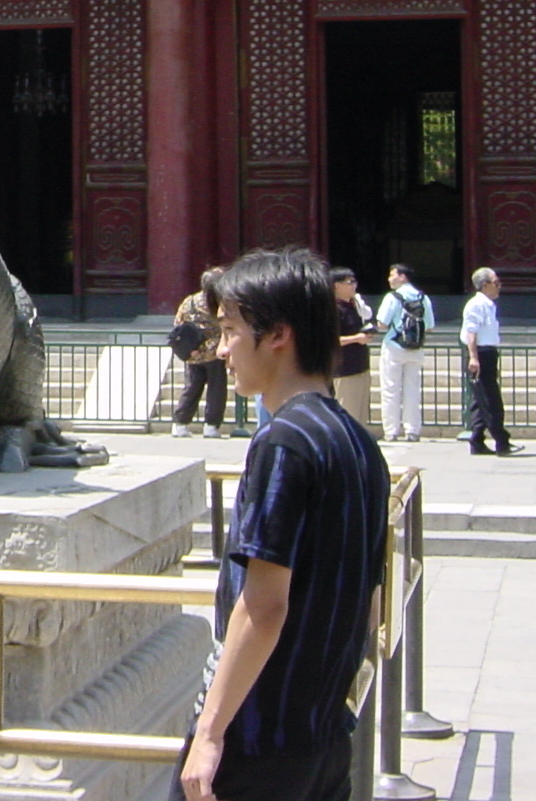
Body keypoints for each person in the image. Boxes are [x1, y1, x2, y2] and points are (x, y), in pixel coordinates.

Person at [181, 247, 390, 801]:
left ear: (277, 335)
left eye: (229, 331)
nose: (222, 350)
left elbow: (265, 604)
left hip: (258, 740)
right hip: (322, 734)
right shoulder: (360, 444)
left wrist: (209, 732)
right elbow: (370, 601)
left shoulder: (283, 442)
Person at [460, 266, 523, 457]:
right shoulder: (476, 305)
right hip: (480, 354)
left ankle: (477, 440)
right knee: (490, 401)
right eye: (496, 283)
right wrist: (473, 357)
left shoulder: (489, 304)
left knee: (480, 402)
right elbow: (471, 333)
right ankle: (502, 441)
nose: (499, 287)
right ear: (485, 285)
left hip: (488, 353)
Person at [374, 263, 434, 444]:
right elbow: (430, 326)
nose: (389, 279)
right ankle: (412, 431)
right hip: (416, 349)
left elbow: (382, 324)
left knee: (390, 390)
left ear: (402, 276)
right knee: (412, 390)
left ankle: (391, 431)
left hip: (394, 346)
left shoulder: (392, 297)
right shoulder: (423, 297)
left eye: (392, 275)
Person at [171, 268, 228, 438]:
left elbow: (178, 323)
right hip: (214, 352)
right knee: (216, 389)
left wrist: (189, 348)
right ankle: (211, 425)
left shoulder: (190, 301)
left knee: (192, 388)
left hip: (193, 353)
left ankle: (180, 423)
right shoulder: (220, 303)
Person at [330, 267, 372, 426]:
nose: (354, 286)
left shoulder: (353, 306)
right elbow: (330, 339)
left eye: (354, 282)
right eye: (349, 282)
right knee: (348, 414)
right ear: (336, 286)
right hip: (345, 369)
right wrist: (356, 338)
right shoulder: (334, 309)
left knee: (361, 416)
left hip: (361, 366)